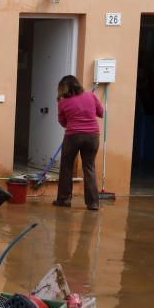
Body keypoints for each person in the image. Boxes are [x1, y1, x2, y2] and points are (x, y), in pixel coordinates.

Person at [54, 75, 104, 211]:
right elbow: (101, 113)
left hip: (73, 137)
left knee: (66, 166)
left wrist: (72, 124)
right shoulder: (91, 96)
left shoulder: (63, 102)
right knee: (89, 167)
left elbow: (62, 121)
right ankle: (93, 203)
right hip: (93, 136)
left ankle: (64, 200)